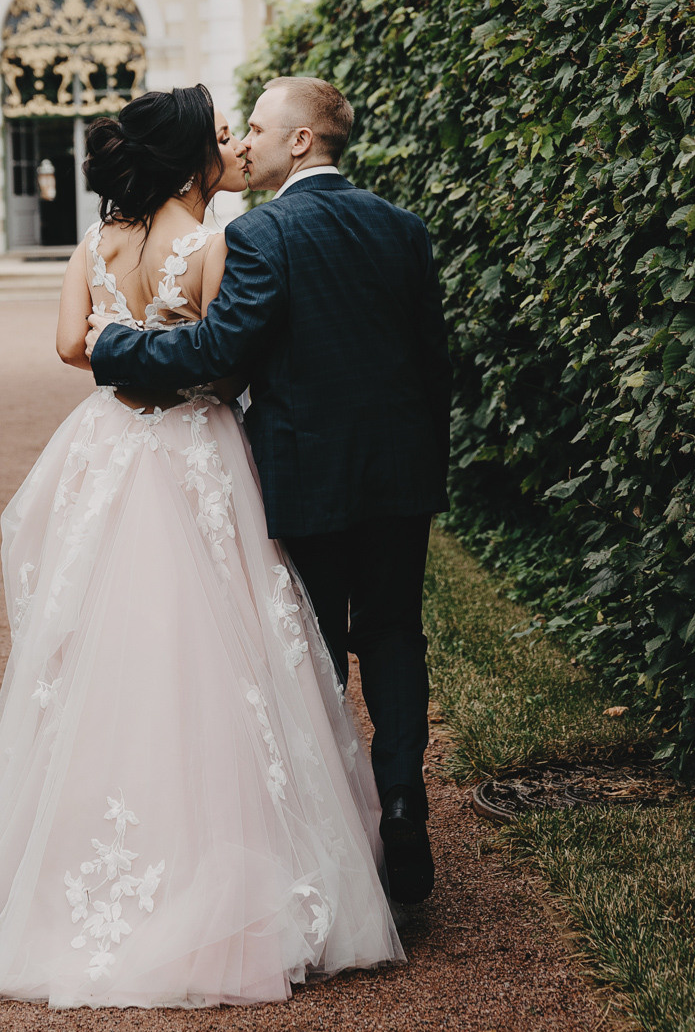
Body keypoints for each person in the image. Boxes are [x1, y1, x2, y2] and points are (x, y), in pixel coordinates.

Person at [0, 84, 403, 1010]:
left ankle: (75, 859)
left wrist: (120, 341)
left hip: (111, 449)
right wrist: (183, 358)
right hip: (197, 446)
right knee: (226, 636)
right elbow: (231, 361)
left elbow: (73, 344)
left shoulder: (92, 246)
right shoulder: (217, 242)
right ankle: (240, 857)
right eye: (222, 138)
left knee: (103, 636)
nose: (233, 147)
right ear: (193, 159)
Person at [88, 76, 451, 908]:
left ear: (299, 142)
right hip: (399, 471)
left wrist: (117, 351)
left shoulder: (261, 234)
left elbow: (217, 348)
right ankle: (400, 799)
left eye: (254, 127)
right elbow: (435, 365)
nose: (241, 142)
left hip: (306, 467)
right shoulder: (405, 229)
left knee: (314, 641)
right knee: (395, 632)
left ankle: (332, 821)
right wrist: (426, 462)